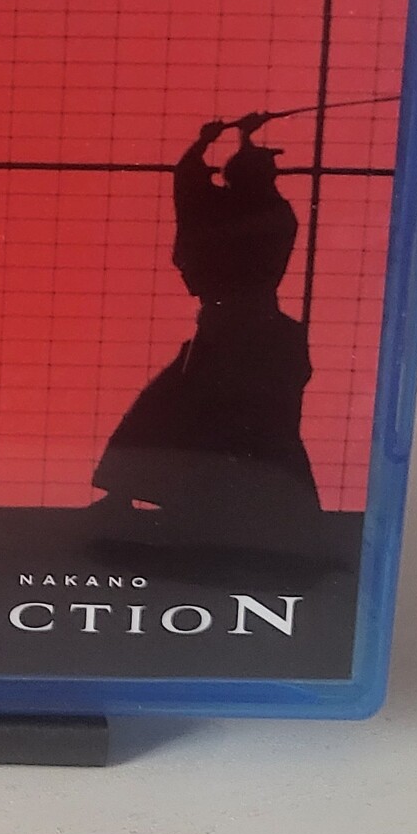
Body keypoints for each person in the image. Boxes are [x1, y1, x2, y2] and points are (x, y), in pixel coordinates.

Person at [93, 114, 321, 546]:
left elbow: (189, 182)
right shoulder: (275, 216)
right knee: (252, 418)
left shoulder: (222, 213)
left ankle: (140, 493)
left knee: (173, 408)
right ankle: (271, 506)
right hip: (256, 325)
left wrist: (209, 140)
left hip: (227, 324)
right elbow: (224, 188)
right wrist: (243, 138)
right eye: (267, 173)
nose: (273, 178)